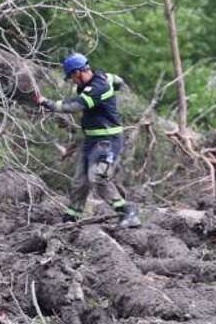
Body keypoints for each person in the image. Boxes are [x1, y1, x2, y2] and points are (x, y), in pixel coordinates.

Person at [37, 52, 140, 228]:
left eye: (71, 77)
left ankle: (128, 212)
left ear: (78, 72)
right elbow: (118, 80)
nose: (72, 81)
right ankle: (71, 219)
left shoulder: (97, 87)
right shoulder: (103, 78)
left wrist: (48, 103)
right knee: (80, 181)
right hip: (91, 141)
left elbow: (75, 106)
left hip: (107, 141)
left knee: (98, 178)